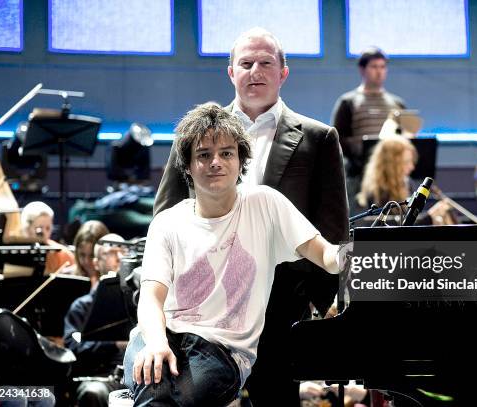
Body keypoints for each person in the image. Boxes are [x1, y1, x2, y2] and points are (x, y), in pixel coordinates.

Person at [153, 27, 348, 405]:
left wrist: (324, 301)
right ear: (231, 72)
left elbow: (332, 227)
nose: (255, 71)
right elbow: (166, 208)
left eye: (266, 63)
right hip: (199, 303)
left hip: (281, 302)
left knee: (275, 397)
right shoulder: (195, 133)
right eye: (245, 63)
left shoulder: (319, 137)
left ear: (283, 73)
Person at [123, 103, 342, 406]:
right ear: (186, 165)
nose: (216, 162)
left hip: (222, 349)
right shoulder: (167, 221)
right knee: (154, 384)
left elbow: (325, 255)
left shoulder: (265, 204)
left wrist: (350, 256)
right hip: (162, 333)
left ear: (241, 161)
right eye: (204, 155)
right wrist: (157, 342)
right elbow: (151, 297)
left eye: (227, 153)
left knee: (172, 398)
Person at [331, 47, 406, 208]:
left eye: (382, 67)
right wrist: (362, 148)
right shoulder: (348, 102)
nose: (379, 72)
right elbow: (338, 139)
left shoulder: (397, 103)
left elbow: (404, 138)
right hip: (359, 174)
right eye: (374, 67)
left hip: (392, 175)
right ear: (362, 69)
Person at [63, 233, 127, 407]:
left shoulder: (140, 301)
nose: (120, 257)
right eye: (111, 253)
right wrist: (114, 345)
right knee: (93, 393)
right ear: (96, 263)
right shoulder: (81, 307)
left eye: (123, 251)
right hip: (102, 378)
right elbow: (74, 346)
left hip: (138, 377)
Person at [357, 135, 454, 225]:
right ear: (391, 165)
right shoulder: (378, 192)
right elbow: (396, 230)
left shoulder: (407, 183)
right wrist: (429, 217)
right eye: (406, 162)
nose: (412, 167)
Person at [20, 201, 75, 273]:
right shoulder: (19, 253)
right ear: (27, 228)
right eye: (39, 228)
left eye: (48, 228)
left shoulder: (63, 254)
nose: (44, 233)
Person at [69, 220, 110, 287]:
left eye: (92, 256)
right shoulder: (68, 277)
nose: (86, 261)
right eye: (82, 255)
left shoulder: (115, 282)